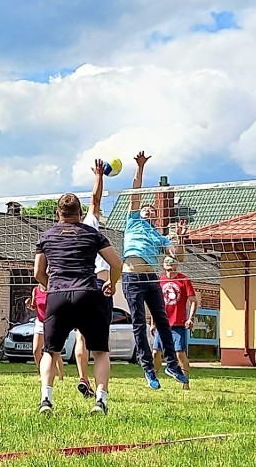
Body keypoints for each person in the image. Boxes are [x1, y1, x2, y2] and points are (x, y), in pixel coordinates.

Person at [34, 192, 122, 415]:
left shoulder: (46, 236)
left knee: (50, 351)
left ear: (58, 213)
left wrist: (49, 285)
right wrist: (111, 283)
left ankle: (46, 399)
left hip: (58, 295)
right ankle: (100, 401)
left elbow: (37, 272)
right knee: (100, 351)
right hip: (88, 293)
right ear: (80, 213)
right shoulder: (92, 234)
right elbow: (116, 263)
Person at [122, 151, 189, 390]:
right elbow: (135, 193)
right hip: (131, 276)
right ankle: (149, 370)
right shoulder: (132, 221)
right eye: (145, 210)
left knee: (162, 321)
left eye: (152, 211)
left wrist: (179, 239)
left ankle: (171, 364)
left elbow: (176, 256)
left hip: (151, 278)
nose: (148, 211)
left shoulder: (157, 235)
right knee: (139, 323)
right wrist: (140, 168)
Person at [71, 159, 116, 399]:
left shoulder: (63, 233)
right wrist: (99, 176)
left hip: (77, 287)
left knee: (80, 336)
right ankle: (101, 392)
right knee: (99, 343)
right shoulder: (90, 226)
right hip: (99, 285)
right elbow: (95, 200)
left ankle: (82, 377)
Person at [151, 256, 199, 391]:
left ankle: (186, 383)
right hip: (162, 323)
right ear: (163, 266)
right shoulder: (159, 281)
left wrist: (191, 318)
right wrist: (152, 323)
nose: (170, 269)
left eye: (172, 266)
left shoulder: (184, 280)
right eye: (167, 266)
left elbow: (194, 301)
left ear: (176, 266)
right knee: (156, 353)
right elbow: (154, 304)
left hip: (178, 324)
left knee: (179, 354)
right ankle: (153, 380)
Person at [25, 284, 64, 380]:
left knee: (54, 351)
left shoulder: (53, 288)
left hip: (51, 322)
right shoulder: (36, 290)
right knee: (36, 350)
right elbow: (34, 306)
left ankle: (61, 377)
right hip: (40, 322)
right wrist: (29, 304)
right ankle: (42, 373)